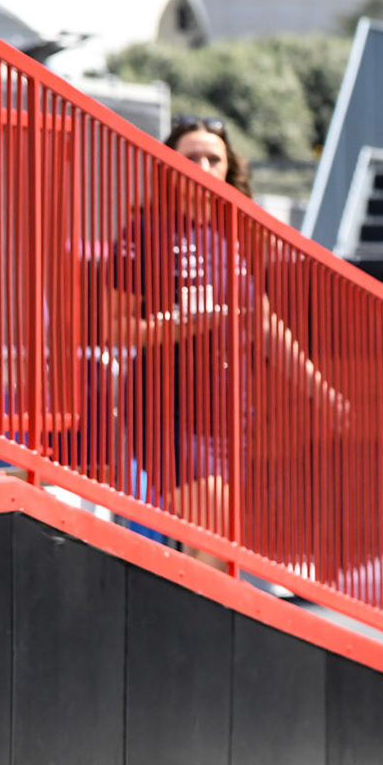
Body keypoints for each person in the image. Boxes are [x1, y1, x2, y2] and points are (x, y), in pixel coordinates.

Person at [105, 116, 342, 568]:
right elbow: (113, 327)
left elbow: (265, 323)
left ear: (229, 168)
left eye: (214, 158)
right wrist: (179, 326)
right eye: (191, 157)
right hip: (166, 405)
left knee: (212, 547)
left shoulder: (238, 230)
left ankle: (182, 632)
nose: (204, 167)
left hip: (229, 409)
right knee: (215, 531)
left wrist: (322, 393)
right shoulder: (145, 232)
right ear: (168, 166)